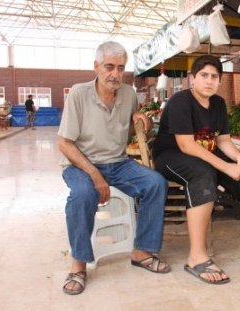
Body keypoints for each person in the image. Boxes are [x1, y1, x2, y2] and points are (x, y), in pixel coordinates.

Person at [152, 55, 240, 285]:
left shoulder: (218, 103)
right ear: (193, 78)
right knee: (203, 174)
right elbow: (186, 145)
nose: (209, 81)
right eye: (204, 75)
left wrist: (239, 159)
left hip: (205, 152)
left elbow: (223, 140)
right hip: (171, 155)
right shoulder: (180, 101)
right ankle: (196, 257)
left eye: (214, 76)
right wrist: (226, 166)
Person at [58, 41, 169, 296]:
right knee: (83, 194)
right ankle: (78, 264)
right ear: (96, 67)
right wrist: (95, 175)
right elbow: (64, 143)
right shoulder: (78, 93)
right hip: (80, 163)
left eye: (121, 68)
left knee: (156, 183)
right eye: (109, 67)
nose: (115, 74)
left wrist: (143, 120)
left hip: (118, 163)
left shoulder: (129, 93)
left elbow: (131, 127)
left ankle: (142, 251)